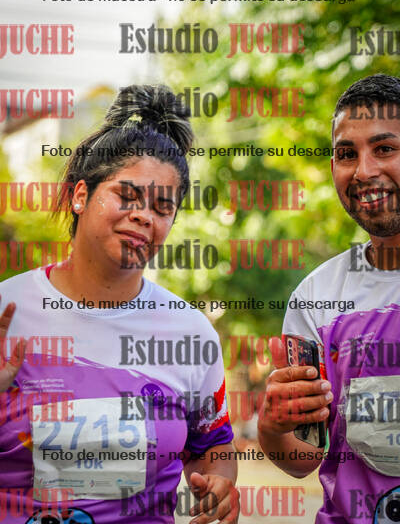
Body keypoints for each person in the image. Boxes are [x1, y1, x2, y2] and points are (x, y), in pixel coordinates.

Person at [0, 84, 239, 524]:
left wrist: (219, 487)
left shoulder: (189, 333)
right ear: (80, 195)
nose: (144, 215)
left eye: (162, 207)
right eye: (127, 196)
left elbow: (213, 447)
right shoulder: (7, 312)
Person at [258, 73, 400, 524]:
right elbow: (303, 456)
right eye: (346, 154)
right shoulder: (317, 299)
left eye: (384, 148)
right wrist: (273, 426)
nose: (363, 171)